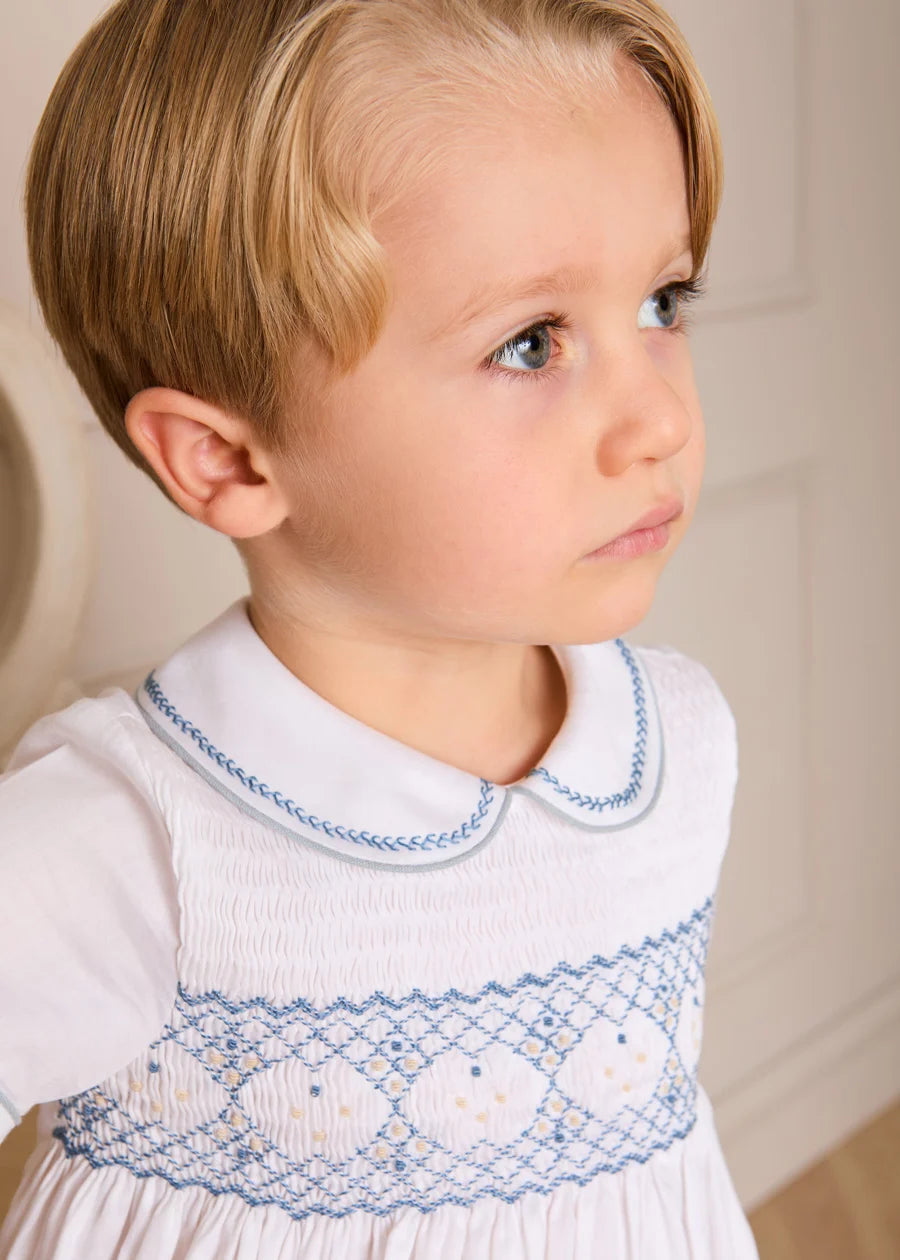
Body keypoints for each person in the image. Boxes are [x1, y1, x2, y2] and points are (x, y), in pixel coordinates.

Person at [0, 0, 761, 1255]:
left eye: (663, 305)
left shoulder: (679, 745)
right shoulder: (129, 840)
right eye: (532, 343)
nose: (660, 422)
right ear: (228, 461)